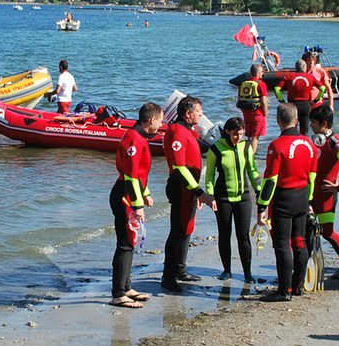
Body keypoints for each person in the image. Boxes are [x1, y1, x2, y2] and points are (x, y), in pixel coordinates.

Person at [258, 104, 318, 301]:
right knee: (299, 240)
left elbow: (270, 180)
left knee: (282, 244)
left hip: (283, 198)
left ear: (278, 121)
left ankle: (284, 291)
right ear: (297, 120)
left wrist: (261, 206)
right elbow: (313, 176)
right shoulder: (309, 144)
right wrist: (309, 200)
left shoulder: (277, 146)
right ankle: (298, 286)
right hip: (302, 196)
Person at [108, 103, 162, 308]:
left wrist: (146, 194)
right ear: (152, 120)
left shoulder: (139, 137)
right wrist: (137, 204)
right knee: (124, 243)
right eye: (160, 120)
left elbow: (139, 174)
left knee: (130, 242)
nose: (162, 123)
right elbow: (130, 175)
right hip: (124, 195)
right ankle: (118, 294)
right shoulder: (134, 138)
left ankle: (126, 286)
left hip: (131, 193)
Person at [200, 116, 259, 284]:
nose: (238, 137)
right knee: (224, 234)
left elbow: (252, 170)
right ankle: (227, 270)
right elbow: (210, 174)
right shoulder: (216, 149)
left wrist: (260, 192)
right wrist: (210, 196)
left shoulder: (246, 146)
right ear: (227, 131)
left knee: (243, 236)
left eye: (241, 134)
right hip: (223, 198)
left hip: (243, 198)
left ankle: (247, 273)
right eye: (235, 134)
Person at [160, 96, 204, 292]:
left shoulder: (188, 130)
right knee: (178, 231)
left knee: (186, 229)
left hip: (189, 187)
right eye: (199, 112)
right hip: (181, 187)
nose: (201, 115)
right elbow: (179, 167)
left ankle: (180, 269)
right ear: (188, 114)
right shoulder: (177, 132)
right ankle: (168, 277)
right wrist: (198, 191)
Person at [310, 104, 339, 280]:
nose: (310, 126)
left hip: (326, 197)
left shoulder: (335, 143)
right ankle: (309, 268)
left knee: (327, 232)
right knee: (309, 230)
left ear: (324, 123)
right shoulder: (317, 140)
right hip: (312, 195)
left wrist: (338, 187)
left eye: (313, 123)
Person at [236, 63, 271, 155]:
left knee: (249, 137)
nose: (263, 74)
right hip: (257, 113)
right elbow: (264, 101)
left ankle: (244, 155)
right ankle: (251, 158)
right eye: (262, 72)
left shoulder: (243, 84)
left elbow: (239, 99)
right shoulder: (261, 84)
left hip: (245, 113)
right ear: (258, 73)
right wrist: (265, 113)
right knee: (255, 137)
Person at [277, 59, 318, 135]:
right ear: (304, 67)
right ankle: (303, 144)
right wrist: (315, 100)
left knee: (291, 130)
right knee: (305, 131)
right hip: (305, 105)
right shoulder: (310, 77)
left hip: (292, 106)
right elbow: (322, 88)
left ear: (296, 67)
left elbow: (277, 89)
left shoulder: (289, 76)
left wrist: (282, 101)